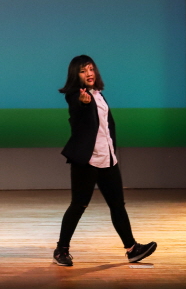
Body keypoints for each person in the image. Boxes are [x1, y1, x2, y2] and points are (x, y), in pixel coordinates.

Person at [54, 55, 157, 266]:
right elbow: (78, 109)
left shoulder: (98, 95)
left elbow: (105, 127)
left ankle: (132, 249)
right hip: (87, 160)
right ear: (76, 75)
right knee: (79, 204)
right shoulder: (76, 95)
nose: (89, 73)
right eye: (83, 71)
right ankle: (61, 250)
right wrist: (83, 103)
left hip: (108, 159)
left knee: (118, 205)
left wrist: (112, 152)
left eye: (91, 69)